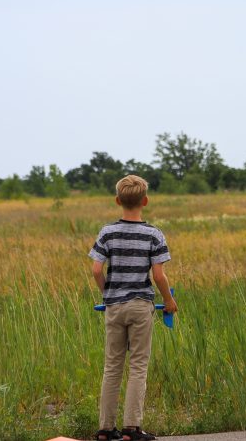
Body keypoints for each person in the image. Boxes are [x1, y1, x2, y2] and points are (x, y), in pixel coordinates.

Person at [89, 175, 178, 441]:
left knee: (112, 366)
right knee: (138, 365)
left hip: (113, 307)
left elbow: (96, 269)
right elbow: (159, 276)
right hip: (141, 306)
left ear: (118, 201)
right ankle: (132, 428)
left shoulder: (107, 232)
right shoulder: (153, 234)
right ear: (145, 201)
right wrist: (169, 301)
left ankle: (106, 428)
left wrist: (108, 294)